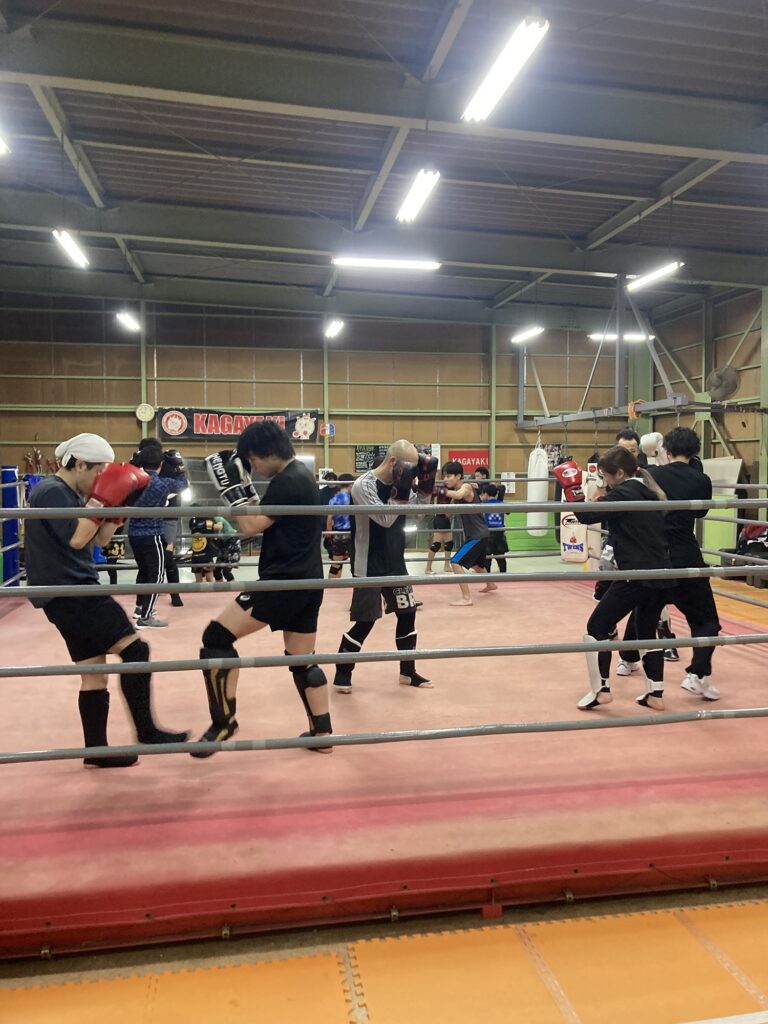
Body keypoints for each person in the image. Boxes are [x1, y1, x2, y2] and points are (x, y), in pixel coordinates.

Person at [24, 433, 189, 768]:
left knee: (94, 673)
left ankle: (96, 750)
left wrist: (118, 509)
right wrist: (103, 499)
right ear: (79, 464)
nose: (101, 479)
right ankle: (147, 731)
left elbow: (96, 540)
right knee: (136, 651)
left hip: (67, 591)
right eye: (99, 471)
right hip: (72, 591)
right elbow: (77, 539)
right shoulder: (52, 491)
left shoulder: (71, 494)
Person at [192, 421, 332, 755]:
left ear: (266, 453)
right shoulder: (300, 476)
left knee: (215, 637)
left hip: (281, 584)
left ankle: (224, 722)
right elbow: (267, 514)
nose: (252, 468)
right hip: (308, 583)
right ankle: (322, 732)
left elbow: (251, 526)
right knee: (303, 660)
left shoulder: (287, 481)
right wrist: (246, 491)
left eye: (252, 461)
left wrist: (231, 489)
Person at [559, 446, 674, 711]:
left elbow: (587, 515)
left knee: (597, 627)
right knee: (646, 632)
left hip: (635, 573)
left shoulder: (624, 492)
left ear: (620, 473)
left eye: (607, 476)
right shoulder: (649, 491)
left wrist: (573, 490)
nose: (606, 481)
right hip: (661, 573)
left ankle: (600, 690)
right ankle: (655, 694)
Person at [620, 427, 721, 700]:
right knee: (706, 620)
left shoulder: (652, 475)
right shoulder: (701, 479)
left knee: (644, 611)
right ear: (695, 451)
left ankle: (627, 660)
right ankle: (698, 674)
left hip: (654, 554)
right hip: (686, 554)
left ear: (666, 449)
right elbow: (701, 511)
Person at [333, 441, 437, 694]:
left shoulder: (401, 483)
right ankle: (342, 672)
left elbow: (419, 513)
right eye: (410, 470)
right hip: (368, 563)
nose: (412, 475)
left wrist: (425, 487)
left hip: (395, 561)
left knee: (407, 614)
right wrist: (402, 491)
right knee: (365, 621)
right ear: (393, 462)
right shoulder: (363, 485)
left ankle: (407, 672)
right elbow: (385, 519)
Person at [128, 444, 189, 628]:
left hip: (133, 533)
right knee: (156, 576)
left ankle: (140, 607)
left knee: (144, 572)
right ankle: (145, 617)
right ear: (161, 464)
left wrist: (133, 463)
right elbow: (184, 485)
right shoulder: (162, 483)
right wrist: (179, 466)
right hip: (153, 534)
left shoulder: (133, 481)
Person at [441, 461, 494, 605]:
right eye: (444, 476)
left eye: (449, 476)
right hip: (478, 534)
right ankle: (490, 584)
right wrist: (441, 500)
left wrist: (440, 491)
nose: (445, 479)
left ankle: (466, 598)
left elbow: (459, 495)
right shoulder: (456, 494)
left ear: (459, 476)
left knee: (455, 562)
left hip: (477, 535)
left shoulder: (466, 487)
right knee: (477, 565)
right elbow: (448, 514)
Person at [324, 473, 354, 578]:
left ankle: (332, 584)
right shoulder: (353, 499)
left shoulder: (333, 500)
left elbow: (329, 520)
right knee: (355, 563)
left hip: (338, 534)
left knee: (336, 564)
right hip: (351, 533)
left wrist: (328, 533)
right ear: (350, 484)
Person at [480, 483, 508, 574]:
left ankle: (487, 576)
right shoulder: (501, 503)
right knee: (501, 557)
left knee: (487, 558)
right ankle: (503, 575)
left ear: (486, 494)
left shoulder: (483, 504)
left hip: (488, 533)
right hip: (499, 533)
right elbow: (508, 512)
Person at [190, 515, 222, 584]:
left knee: (204, 580)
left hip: (201, 554)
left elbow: (218, 528)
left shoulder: (193, 521)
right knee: (205, 580)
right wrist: (219, 521)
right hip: (201, 554)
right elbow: (219, 527)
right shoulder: (204, 521)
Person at [213, 516, 241, 582]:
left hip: (232, 540)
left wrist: (208, 526)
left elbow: (219, 527)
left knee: (226, 571)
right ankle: (220, 587)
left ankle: (232, 587)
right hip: (223, 543)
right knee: (216, 571)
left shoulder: (217, 518)